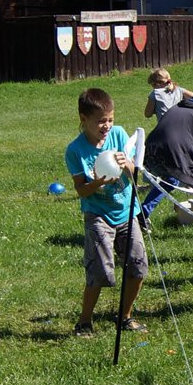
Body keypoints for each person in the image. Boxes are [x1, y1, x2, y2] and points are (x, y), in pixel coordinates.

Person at [64, 88, 149, 337]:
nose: (107, 125)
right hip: (98, 214)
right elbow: (81, 190)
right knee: (99, 272)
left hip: (126, 211)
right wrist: (98, 182)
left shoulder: (119, 134)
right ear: (83, 119)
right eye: (101, 121)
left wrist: (127, 164)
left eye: (110, 119)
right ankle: (84, 322)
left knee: (138, 266)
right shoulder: (76, 150)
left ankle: (125, 316)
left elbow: (134, 173)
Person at [141, 84, 193, 241]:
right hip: (174, 153)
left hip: (151, 150)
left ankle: (142, 214)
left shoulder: (178, 107)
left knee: (170, 179)